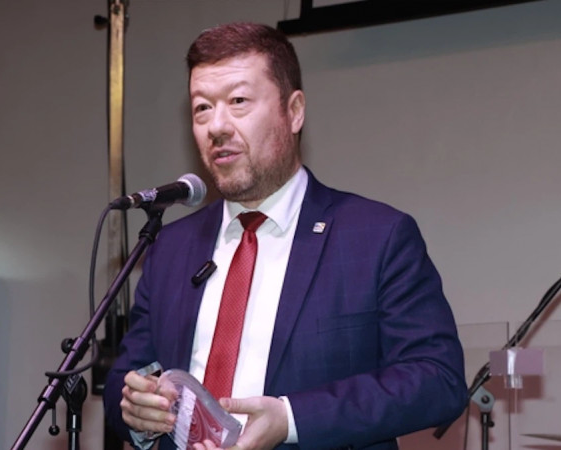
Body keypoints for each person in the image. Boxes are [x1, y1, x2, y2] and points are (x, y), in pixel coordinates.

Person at [104, 22, 466, 450]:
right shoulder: (170, 247)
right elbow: (126, 378)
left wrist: (292, 419)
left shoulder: (376, 238)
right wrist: (138, 411)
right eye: (202, 108)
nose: (216, 126)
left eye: (238, 101)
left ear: (294, 112)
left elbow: (436, 379)